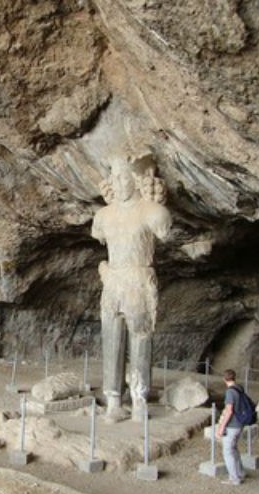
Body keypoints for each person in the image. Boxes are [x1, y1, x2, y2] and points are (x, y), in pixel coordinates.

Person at [91, 155, 172, 421]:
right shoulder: (103, 215)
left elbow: (164, 231)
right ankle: (113, 399)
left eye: (125, 177)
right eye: (115, 178)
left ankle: (139, 399)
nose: (120, 182)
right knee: (111, 339)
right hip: (113, 280)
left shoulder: (152, 211)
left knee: (140, 338)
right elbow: (99, 235)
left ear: (136, 180)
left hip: (138, 277)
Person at [216, 368, 246, 486]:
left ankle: (234, 478)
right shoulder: (239, 388)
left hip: (232, 426)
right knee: (234, 449)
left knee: (228, 451)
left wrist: (221, 427)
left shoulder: (230, 392)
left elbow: (229, 411)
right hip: (240, 424)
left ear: (224, 379)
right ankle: (240, 472)